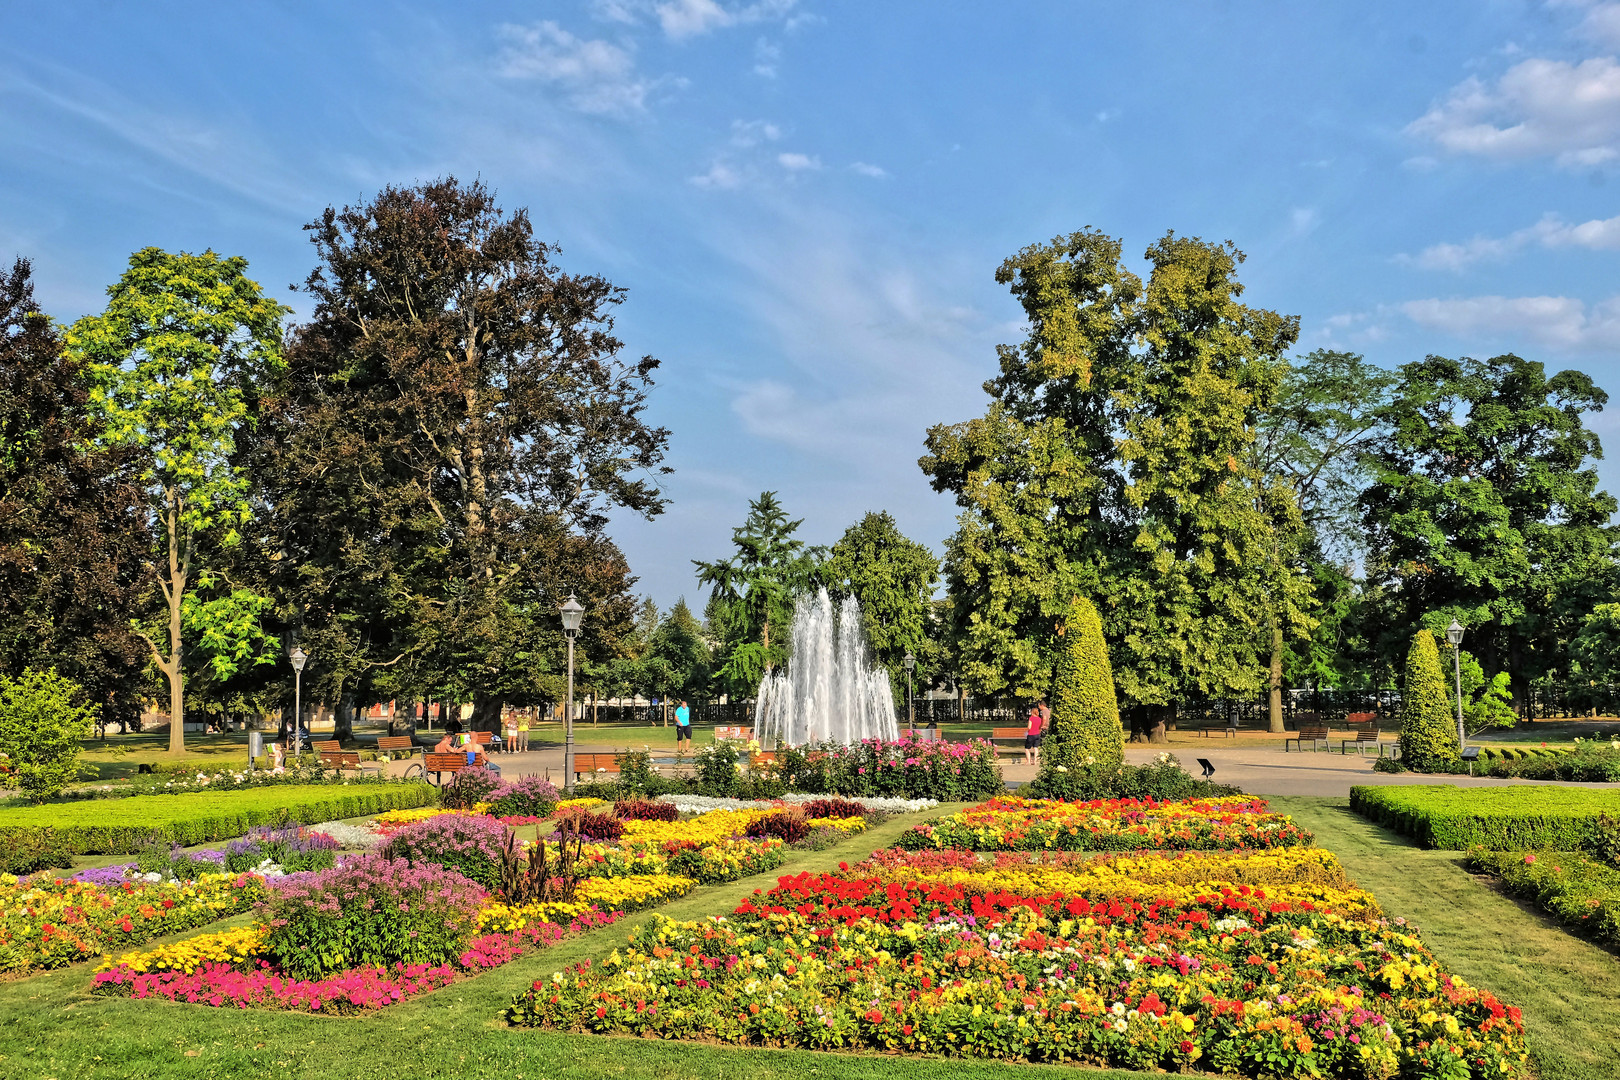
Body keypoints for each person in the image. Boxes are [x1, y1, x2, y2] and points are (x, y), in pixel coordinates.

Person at [1023, 700, 1046, 765]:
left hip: (1031, 734)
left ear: (1032, 712)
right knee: (1035, 748)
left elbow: (1029, 727)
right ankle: (1035, 761)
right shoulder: (1039, 719)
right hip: (1037, 734)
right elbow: (1040, 726)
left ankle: (1028, 761)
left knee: (1027, 748)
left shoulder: (1031, 718)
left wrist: (1027, 730)